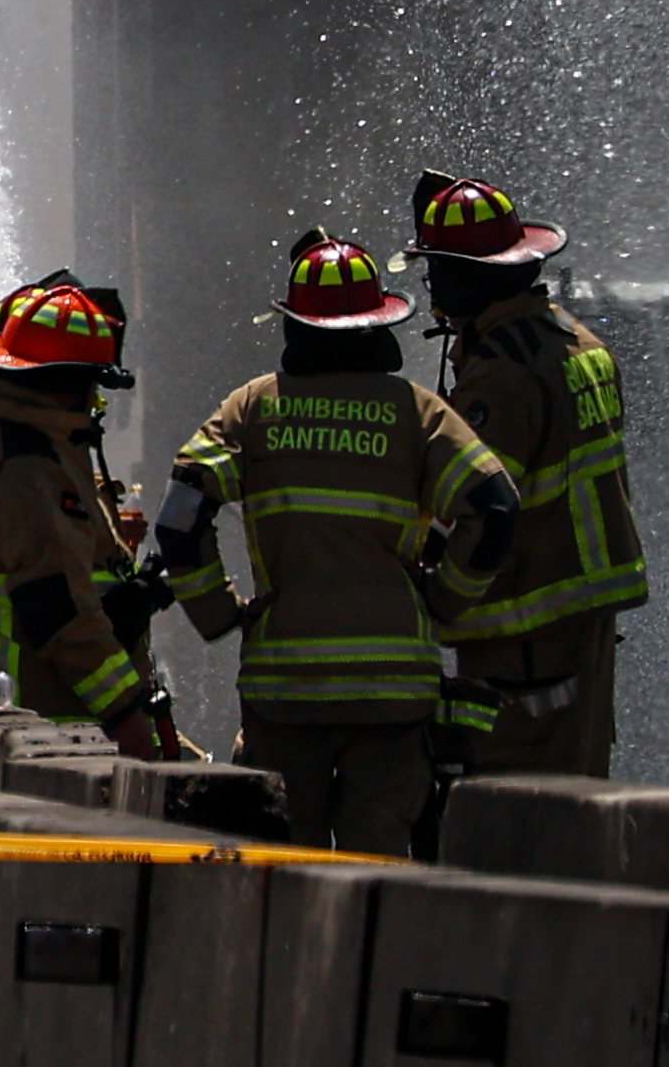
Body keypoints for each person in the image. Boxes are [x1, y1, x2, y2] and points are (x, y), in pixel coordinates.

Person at [155, 229, 520, 856]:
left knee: (280, 869)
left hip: (283, 691)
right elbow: (495, 505)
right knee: (375, 872)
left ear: (296, 325)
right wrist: (442, 602)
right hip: (393, 697)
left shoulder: (253, 408)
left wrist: (219, 613)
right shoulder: (417, 412)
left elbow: (180, 517)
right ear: (378, 324)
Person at [407, 173, 647, 778]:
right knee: (578, 781)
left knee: (519, 797)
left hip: (526, 630)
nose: (433, 285)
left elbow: (475, 508)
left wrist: (431, 602)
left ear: (469, 276)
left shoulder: (502, 374)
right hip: (581, 615)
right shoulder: (577, 342)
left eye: (438, 269)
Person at [0, 275, 168, 756]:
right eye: (90, 383)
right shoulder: (28, 466)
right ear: (65, 385)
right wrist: (127, 715)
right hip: (45, 721)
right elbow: (56, 608)